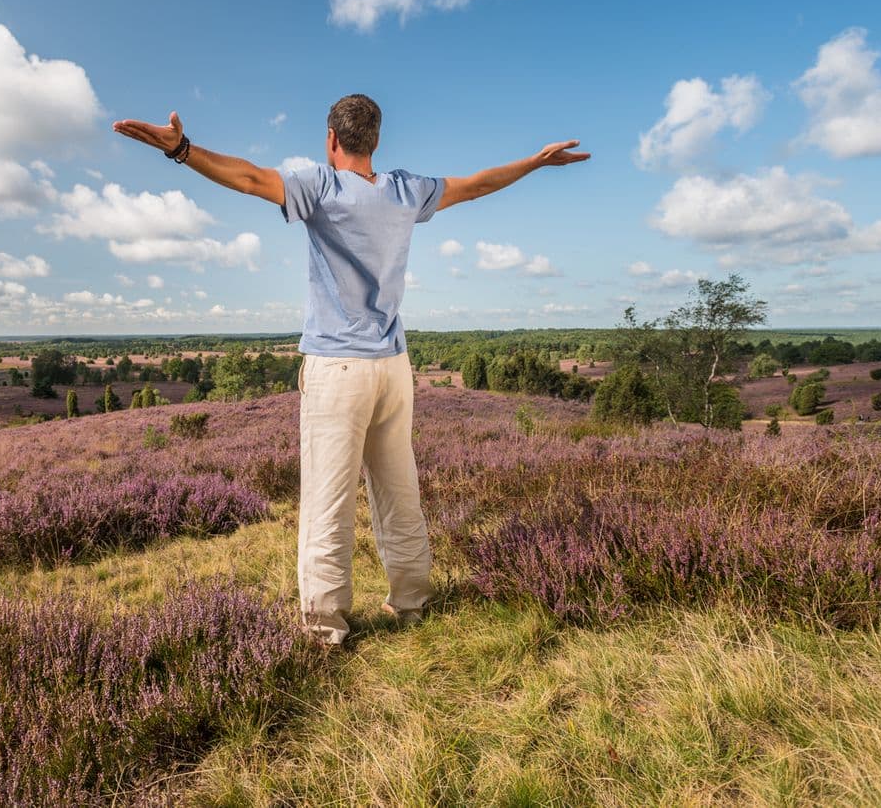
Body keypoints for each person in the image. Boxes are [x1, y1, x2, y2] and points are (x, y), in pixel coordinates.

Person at [113, 94, 589, 645]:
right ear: (376, 141)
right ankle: (411, 603)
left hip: (337, 369)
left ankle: (325, 627)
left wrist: (182, 150)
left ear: (331, 139)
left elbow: (248, 178)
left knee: (327, 501)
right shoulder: (406, 190)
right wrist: (534, 162)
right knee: (399, 491)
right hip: (394, 369)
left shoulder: (320, 186)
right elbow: (477, 185)